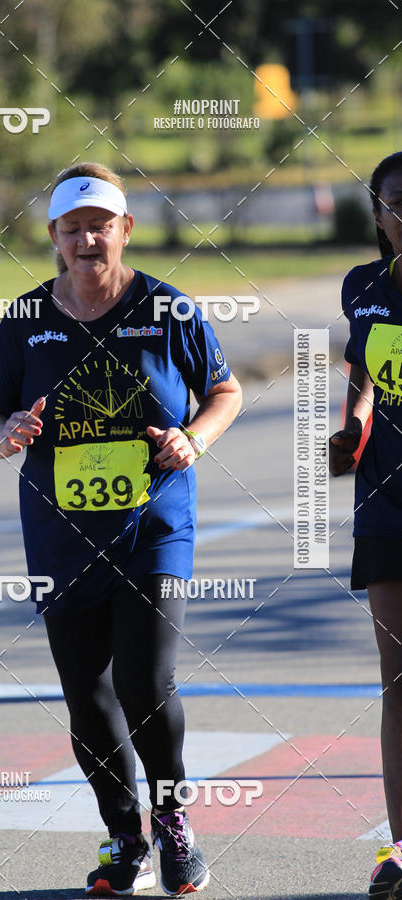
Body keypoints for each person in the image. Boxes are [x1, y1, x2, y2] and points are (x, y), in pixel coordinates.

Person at [0, 162, 242, 896]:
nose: (87, 239)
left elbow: (224, 390)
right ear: (54, 239)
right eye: (72, 229)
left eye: (101, 225)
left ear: (125, 230)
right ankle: (126, 837)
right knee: (86, 695)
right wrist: (8, 433)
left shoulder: (169, 309)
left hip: (153, 524)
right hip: (61, 534)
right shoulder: (27, 319)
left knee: (144, 681)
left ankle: (175, 823)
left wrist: (196, 438)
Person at [329, 151, 402, 899]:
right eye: (397, 202)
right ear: (378, 212)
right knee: (398, 681)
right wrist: (349, 426)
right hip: (386, 498)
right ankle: (401, 849)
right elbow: (362, 376)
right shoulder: (364, 288)